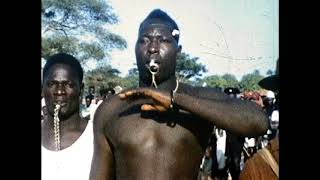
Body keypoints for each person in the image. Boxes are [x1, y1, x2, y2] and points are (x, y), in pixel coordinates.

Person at [90, 9, 268, 180]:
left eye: (163, 40)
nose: (153, 48)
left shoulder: (199, 97)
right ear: (135, 48)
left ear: (178, 51)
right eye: (144, 40)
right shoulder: (111, 108)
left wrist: (177, 100)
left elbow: (259, 122)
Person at [41, 53, 93, 180]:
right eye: (52, 84)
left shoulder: (97, 137)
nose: (59, 91)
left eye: (68, 84)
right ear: (43, 88)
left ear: (80, 88)